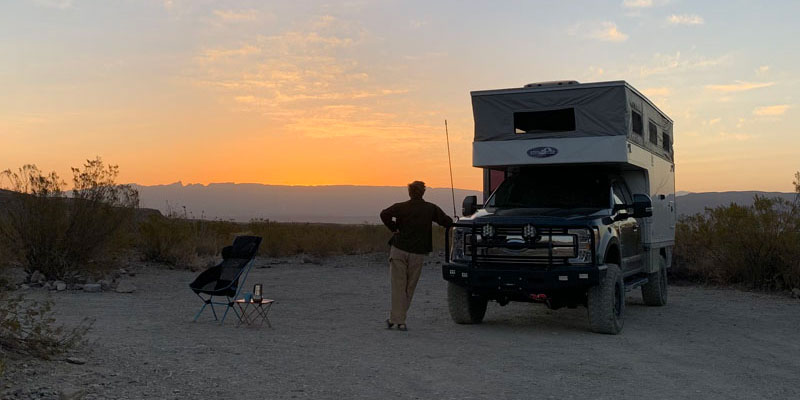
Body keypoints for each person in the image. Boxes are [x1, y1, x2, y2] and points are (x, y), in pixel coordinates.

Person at [380, 181, 453, 331]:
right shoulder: (430, 208)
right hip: (417, 253)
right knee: (409, 287)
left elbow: (384, 214)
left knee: (398, 286)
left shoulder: (401, 207)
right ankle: (399, 320)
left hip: (399, 249)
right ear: (423, 192)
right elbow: (446, 221)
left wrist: (394, 229)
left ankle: (397, 319)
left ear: (409, 192)